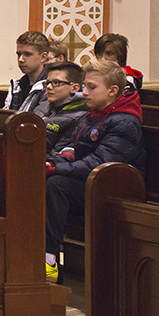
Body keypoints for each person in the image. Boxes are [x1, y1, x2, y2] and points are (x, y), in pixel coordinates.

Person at [45, 60, 145, 283]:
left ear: (113, 91)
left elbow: (98, 163)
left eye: (91, 87)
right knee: (37, 180)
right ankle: (30, 255)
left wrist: (56, 169)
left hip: (114, 188)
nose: (84, 92)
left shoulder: (125, 122)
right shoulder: (90, 115)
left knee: (55, 185)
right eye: (84, 86)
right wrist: (56, 162)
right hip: (92, 183)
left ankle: (48, 261)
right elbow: (72, 149)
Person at [42, 61, 87, 152]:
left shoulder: (79, 118)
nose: (49, 87)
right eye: (48, 82)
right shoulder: (46, 107)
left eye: (56, 82)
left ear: (74, 88)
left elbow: (58, 154)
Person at [4, 31, 50, 116]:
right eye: (18, 54)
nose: (21, 59)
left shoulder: (50, 86)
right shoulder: (17, 86)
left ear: (43, 57)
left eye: (27, 54)